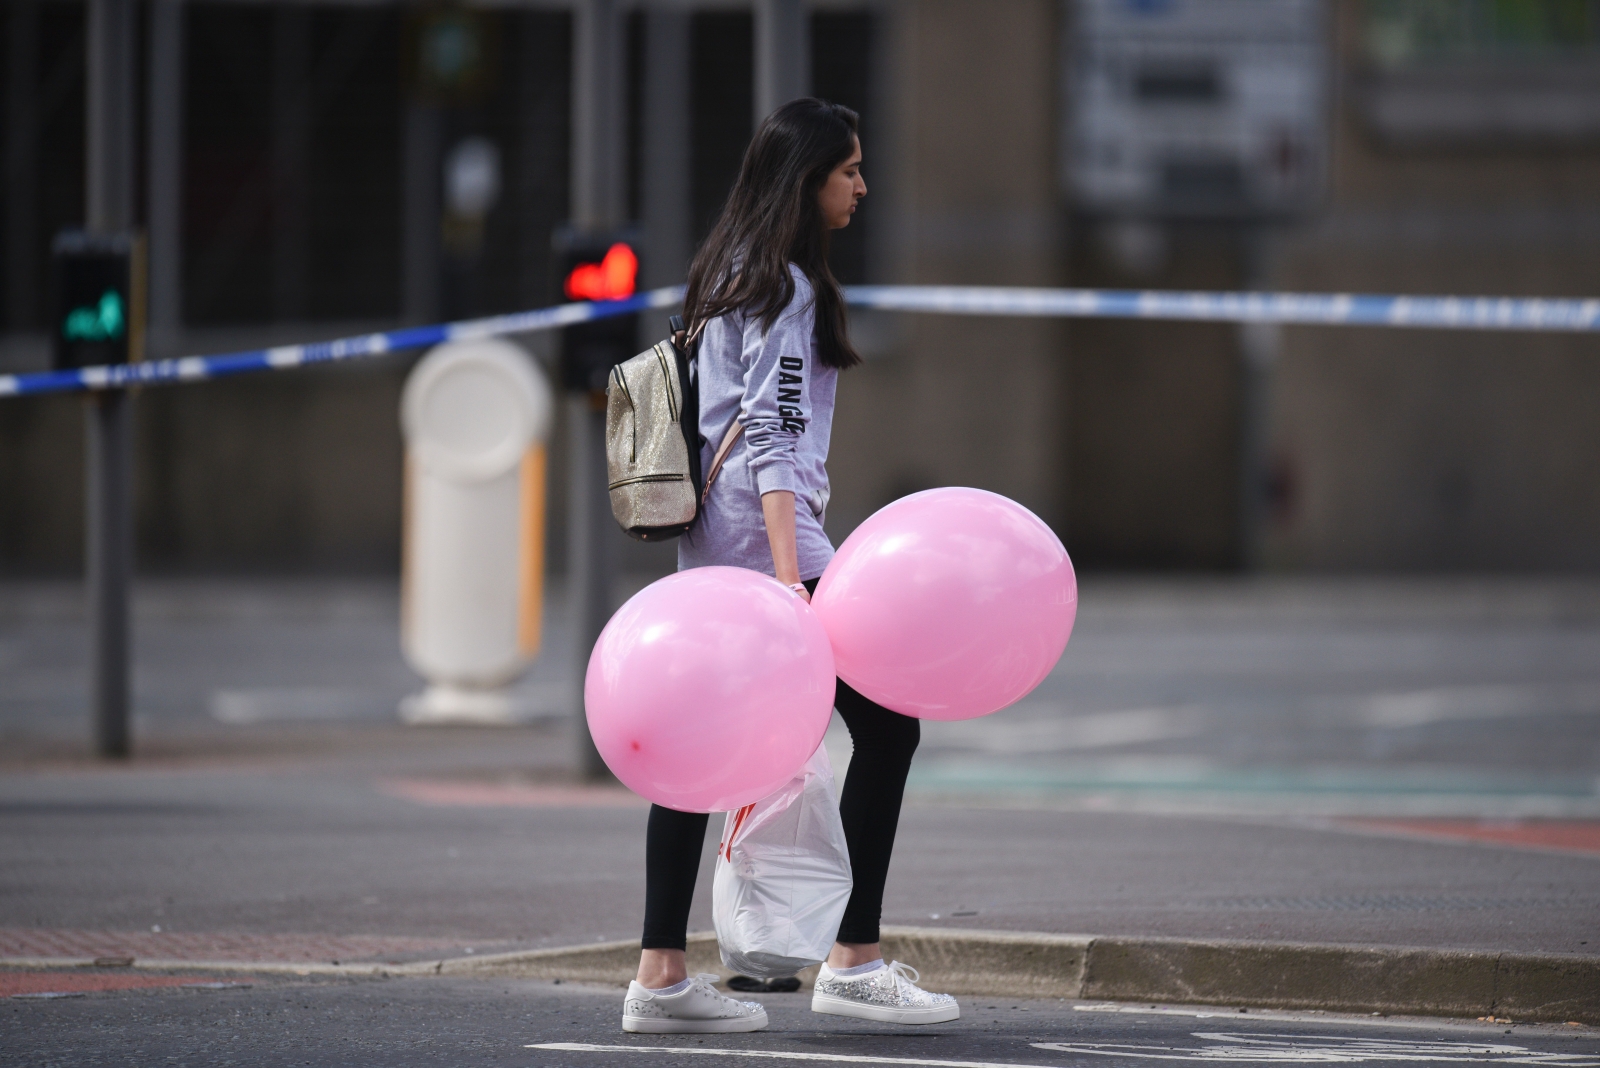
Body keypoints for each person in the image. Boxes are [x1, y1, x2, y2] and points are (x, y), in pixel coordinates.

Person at [619, 98, 960, 1035]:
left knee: (693, 755)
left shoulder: (730, 271)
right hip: (773, 550)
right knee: (889, 730)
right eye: (847, 170)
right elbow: (773, 436)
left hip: (708, 547)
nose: (862, 184)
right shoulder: (788, 289)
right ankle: (854, 958)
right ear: (805, 183)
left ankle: (658, 979)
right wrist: (791, 579)